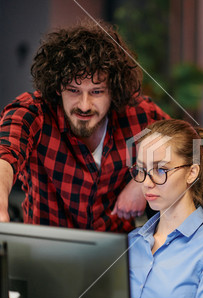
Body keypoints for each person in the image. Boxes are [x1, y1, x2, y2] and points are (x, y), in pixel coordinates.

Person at [0, 21, 169, 230]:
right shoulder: (34, 113)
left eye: (96, 92)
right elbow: (5, 153)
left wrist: (142, 182)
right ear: (57, 88)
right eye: (73, 90)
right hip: (44, 252)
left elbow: (197, 145)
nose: (84, 105)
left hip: (118, 253)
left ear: (113, 90)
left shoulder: (139, 114)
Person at [128, 119, 203, 298]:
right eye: (141, 170)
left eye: (161, 170)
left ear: (192, 173)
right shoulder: (131, 242)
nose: (147, 183)